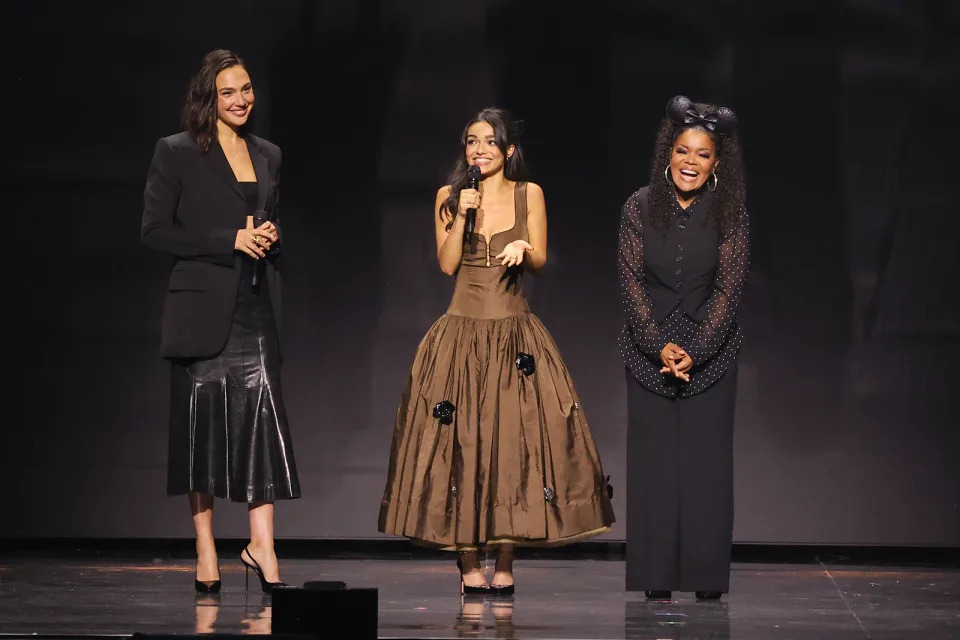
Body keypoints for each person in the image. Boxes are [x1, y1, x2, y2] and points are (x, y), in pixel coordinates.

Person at [379, 108, 615, 595]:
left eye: (490, 141)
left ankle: (505, 558)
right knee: (461, 445)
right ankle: (468, 563)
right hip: (460, 336)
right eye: (471, 141)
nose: (479, 149)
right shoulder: (449, 197)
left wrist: (524, 248)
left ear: (509, 151)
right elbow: (446, 266)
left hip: (513, 338)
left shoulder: (530, 195)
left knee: (512, 445)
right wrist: (463, 213)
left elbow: (543, 259)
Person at [141, 49, 299, 594]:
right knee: (200, 430)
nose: (241, 100)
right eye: (229, 91)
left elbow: (268, 218)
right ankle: (206, 549)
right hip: (201, 308)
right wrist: (227, 240)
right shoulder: (177, 152)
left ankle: (262, 545)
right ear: (208, 97)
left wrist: (270, 235)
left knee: (262, 422)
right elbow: (155, 231)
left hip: (254, 305)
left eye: (247, 89)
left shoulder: (268, 154)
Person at [618, 95, 749, 600]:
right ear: (667, 153)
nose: (689, 163)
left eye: (701, 155)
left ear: (717, 163)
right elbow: (630, 282)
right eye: (682, 151)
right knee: (654, 468)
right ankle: (655, 578)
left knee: (705, 468)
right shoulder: (638, 205)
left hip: (711, 357)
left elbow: (728, 289)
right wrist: (659, 346)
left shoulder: (729, 213)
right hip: (647, 353)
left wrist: (695, 347)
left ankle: (705, 579)